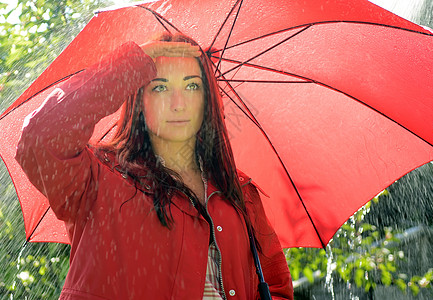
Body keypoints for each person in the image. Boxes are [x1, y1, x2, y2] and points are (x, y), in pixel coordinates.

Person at [16, 32, 293, 300]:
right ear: (139, 100)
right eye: (160, 87)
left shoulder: (240, 194)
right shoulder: (100, 178)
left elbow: (276, 288)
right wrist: (129, 65)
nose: (178, 103)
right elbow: (41, 137)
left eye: (192, 86)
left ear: (207, 98)